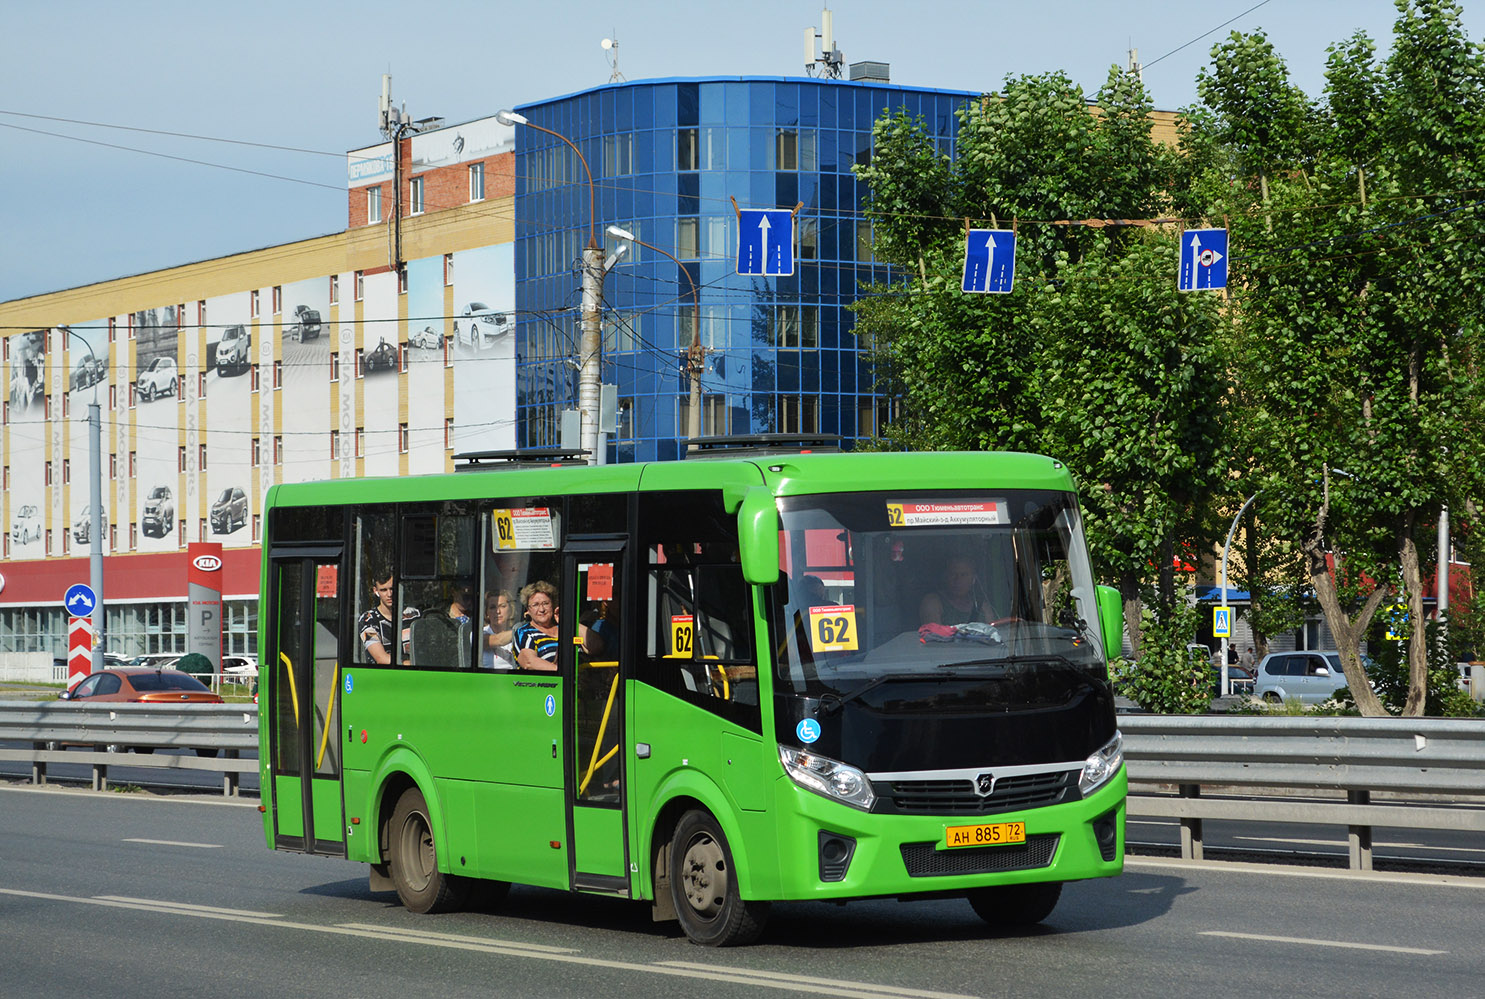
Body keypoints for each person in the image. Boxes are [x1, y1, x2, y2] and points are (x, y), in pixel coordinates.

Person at [919, 556, 993, 626]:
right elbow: (935, 637)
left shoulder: (982, 606)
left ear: (973, 579)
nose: (958, 580)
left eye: (963, 575)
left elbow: (993, 633)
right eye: (953, 574)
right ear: (946, 577)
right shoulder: (933, 602)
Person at [512, 580, 561, 672]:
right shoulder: (525, 632)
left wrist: (567, 623)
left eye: (546, 603)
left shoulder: (564, 628)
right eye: (535, 605)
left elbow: (595, 646)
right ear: (528, 610)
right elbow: (529, 662)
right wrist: (563, 671)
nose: (541, 609)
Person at [357, 570, 396, 665]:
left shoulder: (413, 614)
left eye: (392, 589)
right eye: (383, 590)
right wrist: (412, 664)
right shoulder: (368, 619)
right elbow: (381, 659)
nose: (389, 594)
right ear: (376, 591)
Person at [482, 590, 517, 669]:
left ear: (510, 609)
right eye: (492, 607)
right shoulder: (478, 634)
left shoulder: (518, 633)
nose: (498, 611)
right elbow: (498, 640)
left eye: (503, 606)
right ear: (486, 613)